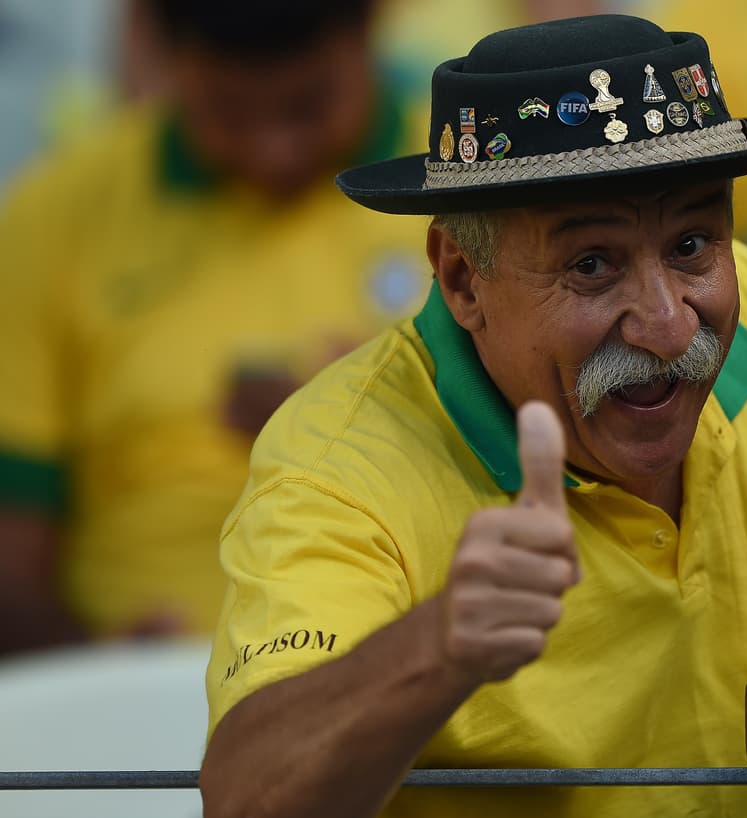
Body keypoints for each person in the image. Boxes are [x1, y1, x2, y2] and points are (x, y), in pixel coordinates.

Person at [199, 15, 747, 818]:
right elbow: (244, 814)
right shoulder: (336, 471)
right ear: (462, 280)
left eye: (693, 243)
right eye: (592, 263)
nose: (669, 325)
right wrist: (439, 645)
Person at [0, 0, 431, 653]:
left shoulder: (476, 190)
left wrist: (369, 429)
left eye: (308, 106)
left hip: (417, 670)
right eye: (228, 114)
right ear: (163, 56)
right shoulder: (53, 218)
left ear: (372, 27)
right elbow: (13, 563)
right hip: (127, 697)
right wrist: (94, 662)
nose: (272, 150)